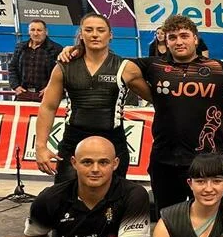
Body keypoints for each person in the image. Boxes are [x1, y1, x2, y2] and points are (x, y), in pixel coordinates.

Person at [59, 15, 223, 213]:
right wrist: (77, 50)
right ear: (166, 41)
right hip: (165, 161)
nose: (179, 42)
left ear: (196, 39)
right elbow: (109, 62)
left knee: (213, 217)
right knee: (167, 217)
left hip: (208, 159)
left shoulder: (217, 68)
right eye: (172, 37)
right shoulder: (153, 65)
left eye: (184, 36)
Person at [36, 13, 148, 183]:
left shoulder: (126, 68)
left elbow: (157, 99)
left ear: (110, 35)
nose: (95, 34)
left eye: (100, 30)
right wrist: (40, 146)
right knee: (66, 194)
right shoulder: (64, 66)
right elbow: (48, 107)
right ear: (81, 34)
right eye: (89, 30)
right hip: (73, 142)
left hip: (113, 142)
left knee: (113, 195)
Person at [9, 19, 63, 101]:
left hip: (47, 94)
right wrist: (15, 86)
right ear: (29, 32)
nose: (35, 33)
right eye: (32, 30)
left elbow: (62, 73)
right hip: (23, 94)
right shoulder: (20, 47)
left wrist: (50, 88)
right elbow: (12, 67)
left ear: (46, 32)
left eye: (39, 30)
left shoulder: (56, 49)